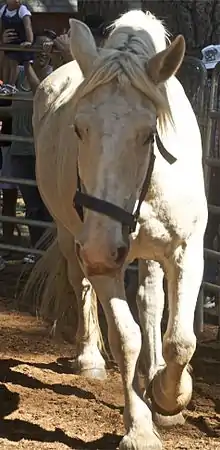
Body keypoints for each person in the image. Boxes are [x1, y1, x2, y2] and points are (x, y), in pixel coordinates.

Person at [1, 30, 53, 263]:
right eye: (39, 46)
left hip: (41, 151)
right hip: (19, 151)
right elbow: (14, 107)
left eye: (48, 48)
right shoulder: (19, 74)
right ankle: (36, 249)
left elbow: (40, 93)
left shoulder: (54, 75)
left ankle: (47, 252)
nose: (43, 52)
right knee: (32, 206)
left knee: (47, 206)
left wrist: (28, 63)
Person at [0, 0, 34, 85]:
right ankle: (5, 84)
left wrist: (29, 41)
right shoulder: (3, 10)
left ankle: (11, 84)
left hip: (21, 44)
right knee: (6, 61)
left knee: (13, 62)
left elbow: (28, 27)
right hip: (9, 43)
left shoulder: (22, 10)